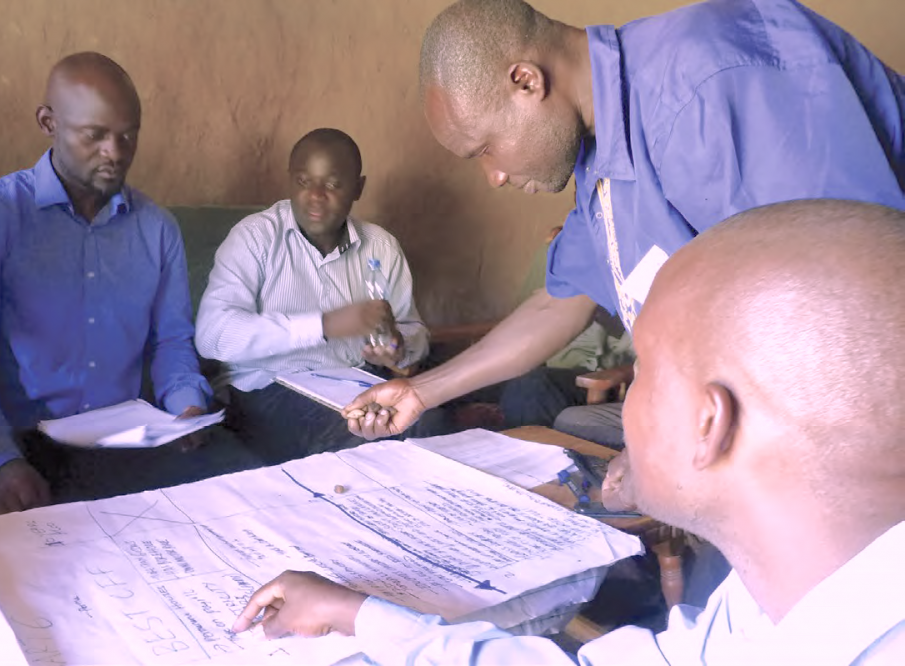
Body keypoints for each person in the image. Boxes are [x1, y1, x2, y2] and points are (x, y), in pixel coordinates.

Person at [234, 199, 905, 664]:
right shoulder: (758, 611)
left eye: (644, 373)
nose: (629, 398)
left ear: (709, 424)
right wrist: (358, 615)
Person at [341, 0, 905, 442]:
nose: (495, 176)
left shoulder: (707, 78)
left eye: (485, 148)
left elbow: (850, 299)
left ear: (526, 82)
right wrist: (420, 390)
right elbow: (559, 303)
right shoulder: (606, 158)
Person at [0, 52, 261, 516]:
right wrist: (3, 463)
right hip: (20, 443)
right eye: (95, 135)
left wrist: (185, 409)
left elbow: (172, 343)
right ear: (48, 122)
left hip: (128, 440)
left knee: (250, 491)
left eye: (128, 135)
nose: (116, 152)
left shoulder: (156, 228)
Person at [195, 128, 444, 464]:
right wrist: (325, 324)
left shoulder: (381, 247)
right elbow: (212, 335)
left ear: (358, 188)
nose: (314, 196)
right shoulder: (254, 238)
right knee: (353, 441)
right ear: (288, 181)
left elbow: (415, 334)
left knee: (428, 422)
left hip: (355, 385)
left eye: (332, 184)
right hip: (266, 392)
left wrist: (397, 347)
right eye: (302, 181)